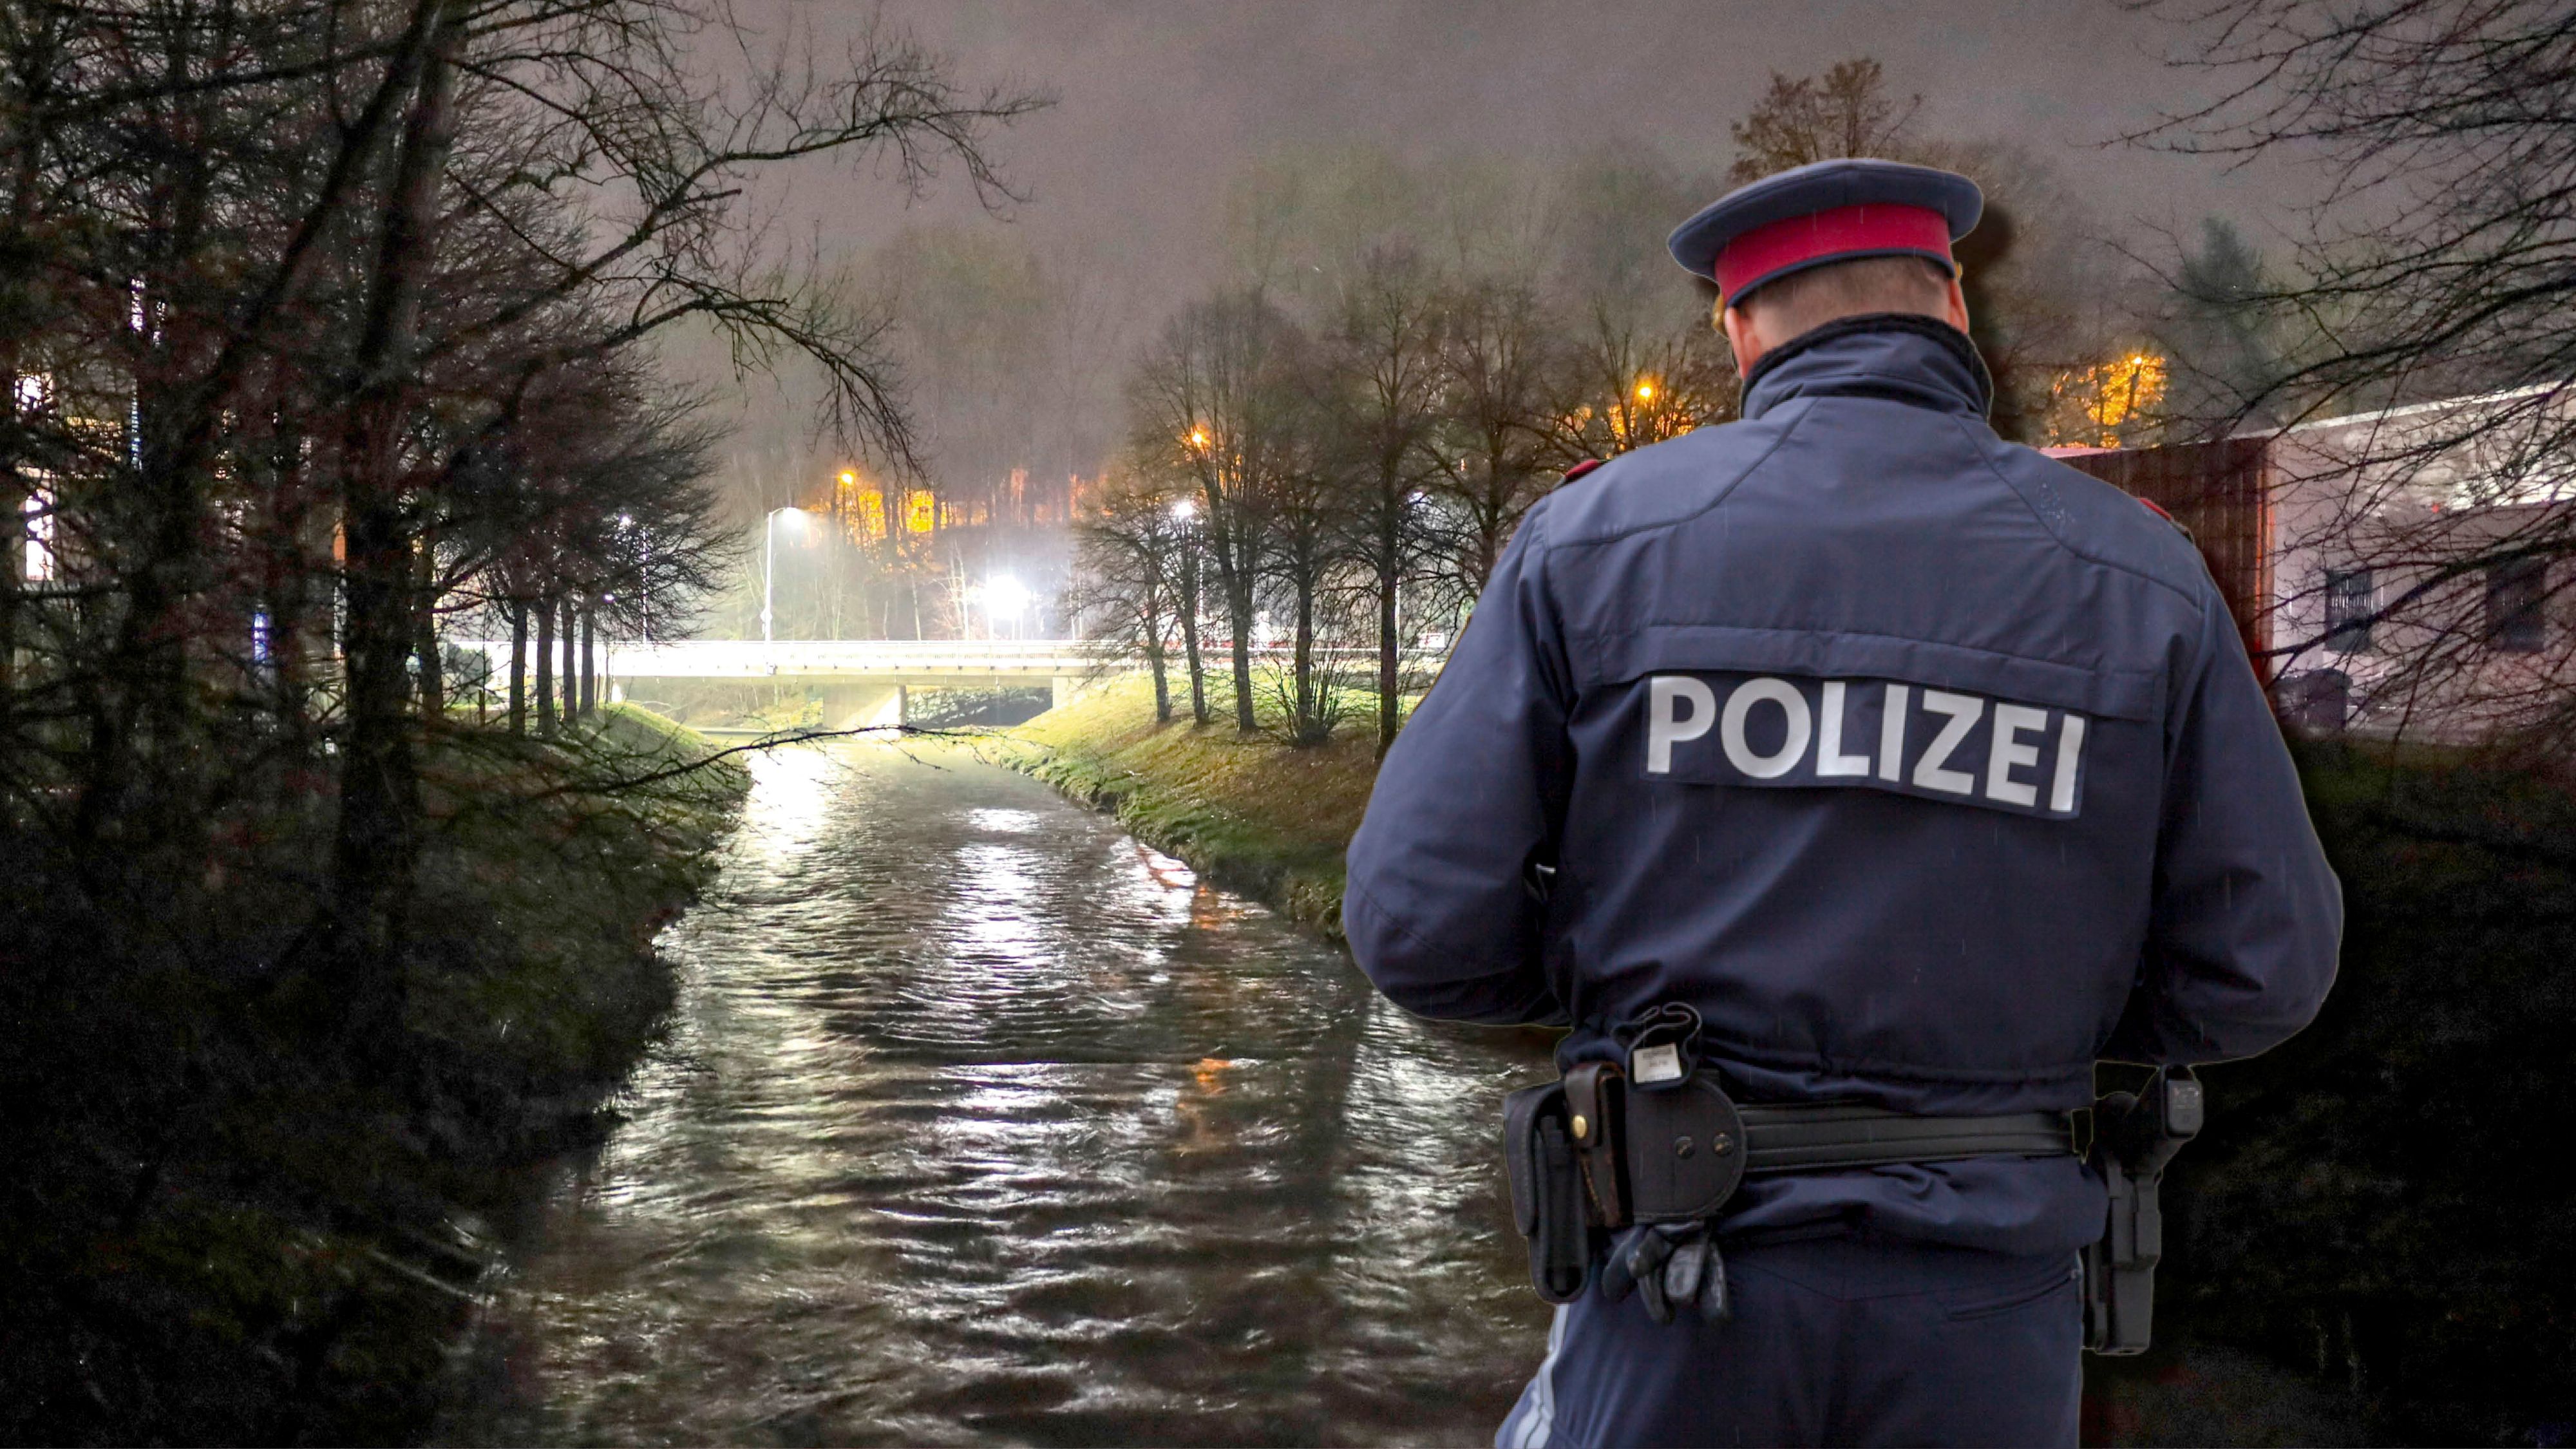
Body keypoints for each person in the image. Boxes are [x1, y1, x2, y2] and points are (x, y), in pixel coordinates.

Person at [1341, 158, 2342, 1448]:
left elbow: (1418, 927)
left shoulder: (1595, 542)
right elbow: (2263, 967)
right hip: (1993, 1305)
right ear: (1951, 309)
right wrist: (2038, 1009)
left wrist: (1618, 990)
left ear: (1739, 330)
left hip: (1678, 1273)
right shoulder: (2136, 574)